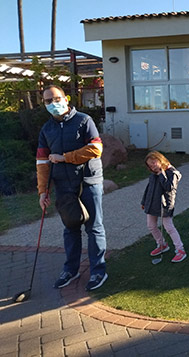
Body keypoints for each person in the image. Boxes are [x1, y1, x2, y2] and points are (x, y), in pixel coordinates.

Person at [36, 85, 107, 291]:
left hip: (88, 182)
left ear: (66, 99)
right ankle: (71, 269)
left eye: (56, 99)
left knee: (94, 227)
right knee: (70, 228)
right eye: (48, 101)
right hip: (63, 185)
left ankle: (98, 271)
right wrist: (43, 191)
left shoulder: (84, 120)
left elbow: (96, 148)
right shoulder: (46, 129)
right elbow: (42, 162)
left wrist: (65, 158)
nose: (53, 103)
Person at [141, 151, 186, 262]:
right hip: (152, 203)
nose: (152, 166)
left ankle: (180, 249)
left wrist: (161, 174)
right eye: (150, 165)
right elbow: (149, 188)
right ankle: (162, 244)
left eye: (154, 163)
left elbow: (169, 187)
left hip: (165, 205)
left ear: (160, 160)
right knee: (151, 225)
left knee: (169, 227)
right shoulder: (153, 174)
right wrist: (144, 201)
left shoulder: (172, 173)